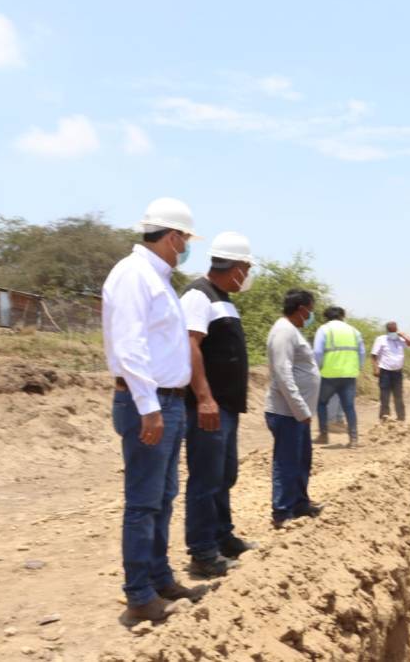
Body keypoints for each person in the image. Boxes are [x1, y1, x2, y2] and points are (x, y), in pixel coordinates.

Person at [102, 197, 208, 624]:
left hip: (169, 401)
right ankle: (139, 596)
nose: (186, 247)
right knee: (144, 502)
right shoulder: (133, 275)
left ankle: (160, 578)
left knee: (163, 497)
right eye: (185, 239)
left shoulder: (157, 277)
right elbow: (129, 346)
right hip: (149, 401)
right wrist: (148, 407)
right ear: (172, 237)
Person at [180, 231, 258, 577]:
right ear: (237, 267)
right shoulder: (198, 295)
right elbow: (190, 345)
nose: (248, 275)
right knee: (205, 478)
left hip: (226, 407)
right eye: (247, 268)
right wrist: (204, 398)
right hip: (209, 408)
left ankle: (222, 537)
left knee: (224, 475)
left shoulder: (223, 299)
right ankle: (202, 552)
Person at [265, 289, 324, 528]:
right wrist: (300, 408)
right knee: (287, 462)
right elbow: (283, 373)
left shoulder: (292, 330)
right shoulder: (284, 331)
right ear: (301, 309)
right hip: (287, 412)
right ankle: (282, 511)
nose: (310, 316)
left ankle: (300, 503)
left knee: (301, 460)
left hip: (298, 414)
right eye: (310, 311)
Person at [313, 306, 365, 447]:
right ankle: (353, 439)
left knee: (321, 403)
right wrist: (358, 368)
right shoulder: (354, 331)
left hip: (329, 375)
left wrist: (318, 367)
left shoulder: (324, 329)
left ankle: (324, 435)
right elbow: (361, 352)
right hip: (349, 374)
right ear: (343, 316)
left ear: (326, 317)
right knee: (349, 407)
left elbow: (317, 352)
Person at [370, 321, 410, 422]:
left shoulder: (400, 339)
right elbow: (373, 355)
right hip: (385, 372)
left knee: (398, 396)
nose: (393, 333)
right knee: (384, 396)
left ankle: (401, 418)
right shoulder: (381, 339)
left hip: (397, 372)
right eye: (391, 331)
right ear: (387, 330)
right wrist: (375, 368)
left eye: (394, 331)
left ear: (397, 330)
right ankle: (384, 417)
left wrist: (403, 335)